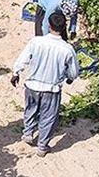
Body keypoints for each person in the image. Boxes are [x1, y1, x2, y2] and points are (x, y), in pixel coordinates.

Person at [10, 11, 80, 157]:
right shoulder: (67, 49)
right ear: (64, 27)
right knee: (48, 117)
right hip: (51, 89)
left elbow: (23, 59)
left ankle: (28, 133)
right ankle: (42, 146)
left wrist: (16, 73)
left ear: (49, 26)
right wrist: (69, 78)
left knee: (31, 109)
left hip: (32, 85)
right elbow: (73, 72)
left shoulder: (36, 42)